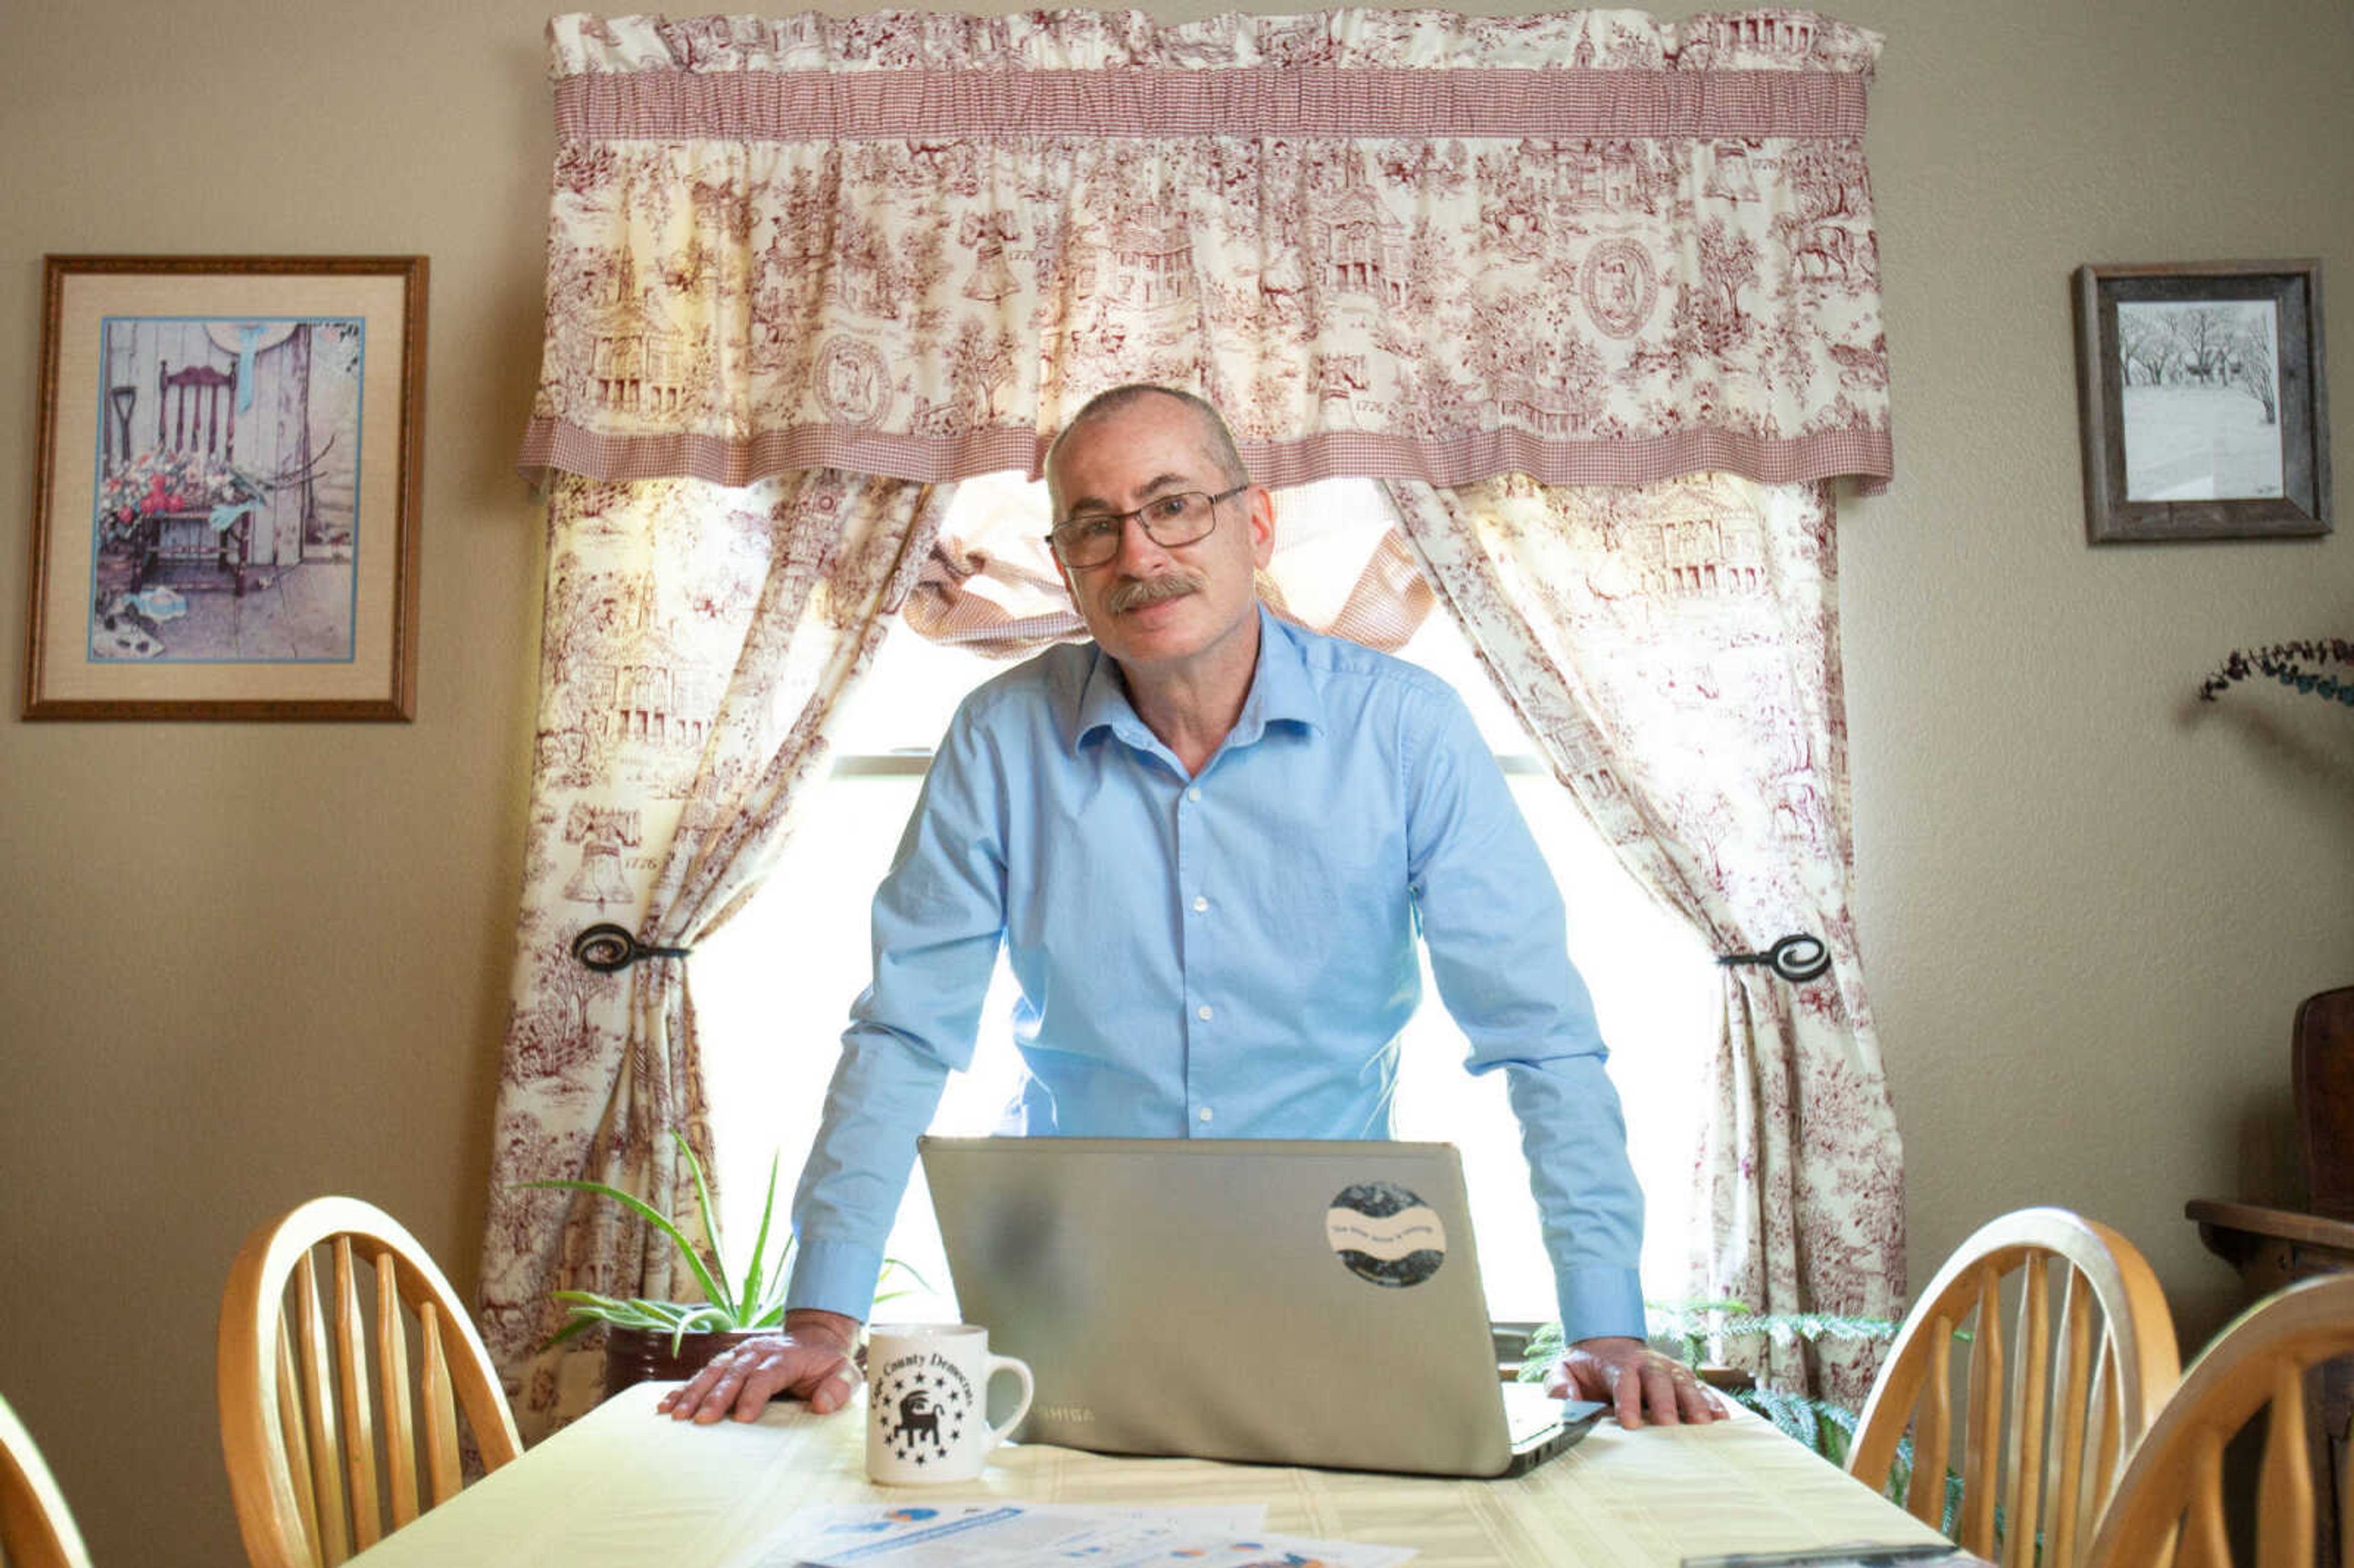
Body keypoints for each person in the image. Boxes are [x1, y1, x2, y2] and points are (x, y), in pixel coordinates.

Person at [661, 385, 1722, 1431]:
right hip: (1062, 1305)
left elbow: (1539, 1040)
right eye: (1095, 526)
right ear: (1068, 564)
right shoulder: (996, 740)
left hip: (1339, 1288)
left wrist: (1608, 1328)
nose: (1139, 555)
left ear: (1254, 524)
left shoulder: (1410, 734)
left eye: (1174, 506)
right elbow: (901, 1033)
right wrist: (820, 1316)